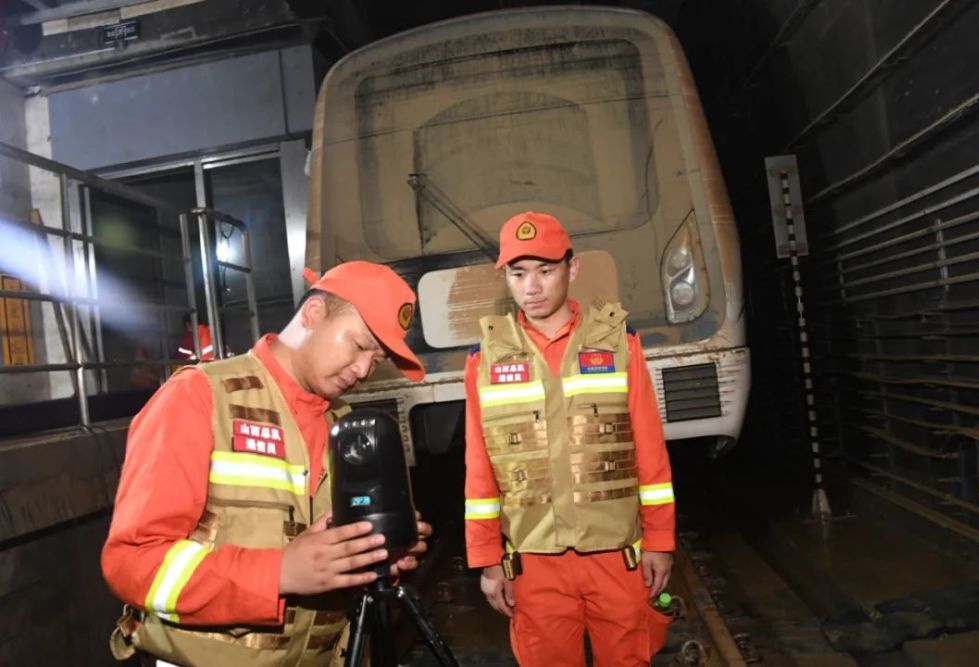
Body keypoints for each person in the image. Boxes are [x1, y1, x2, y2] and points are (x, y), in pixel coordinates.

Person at [103, 261, 432, 667]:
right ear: (314, 314)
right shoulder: (199, 398)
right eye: (360, 345)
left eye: (376, 359)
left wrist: (375, 557)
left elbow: (331, 562)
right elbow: (133, 563)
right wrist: (278, 573)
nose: (364, 369)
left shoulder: (345, 427)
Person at [463, 212, 677, 666]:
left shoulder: (620, 344)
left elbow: (650, 452)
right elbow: (479, 468)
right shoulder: (484, 360)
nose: (532, 287)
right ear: (505, 278)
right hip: (534, 564)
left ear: (572, 268)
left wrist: (660, 540)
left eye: (545, 270)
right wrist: (485, 559)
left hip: (615, 558)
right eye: (519, 274)